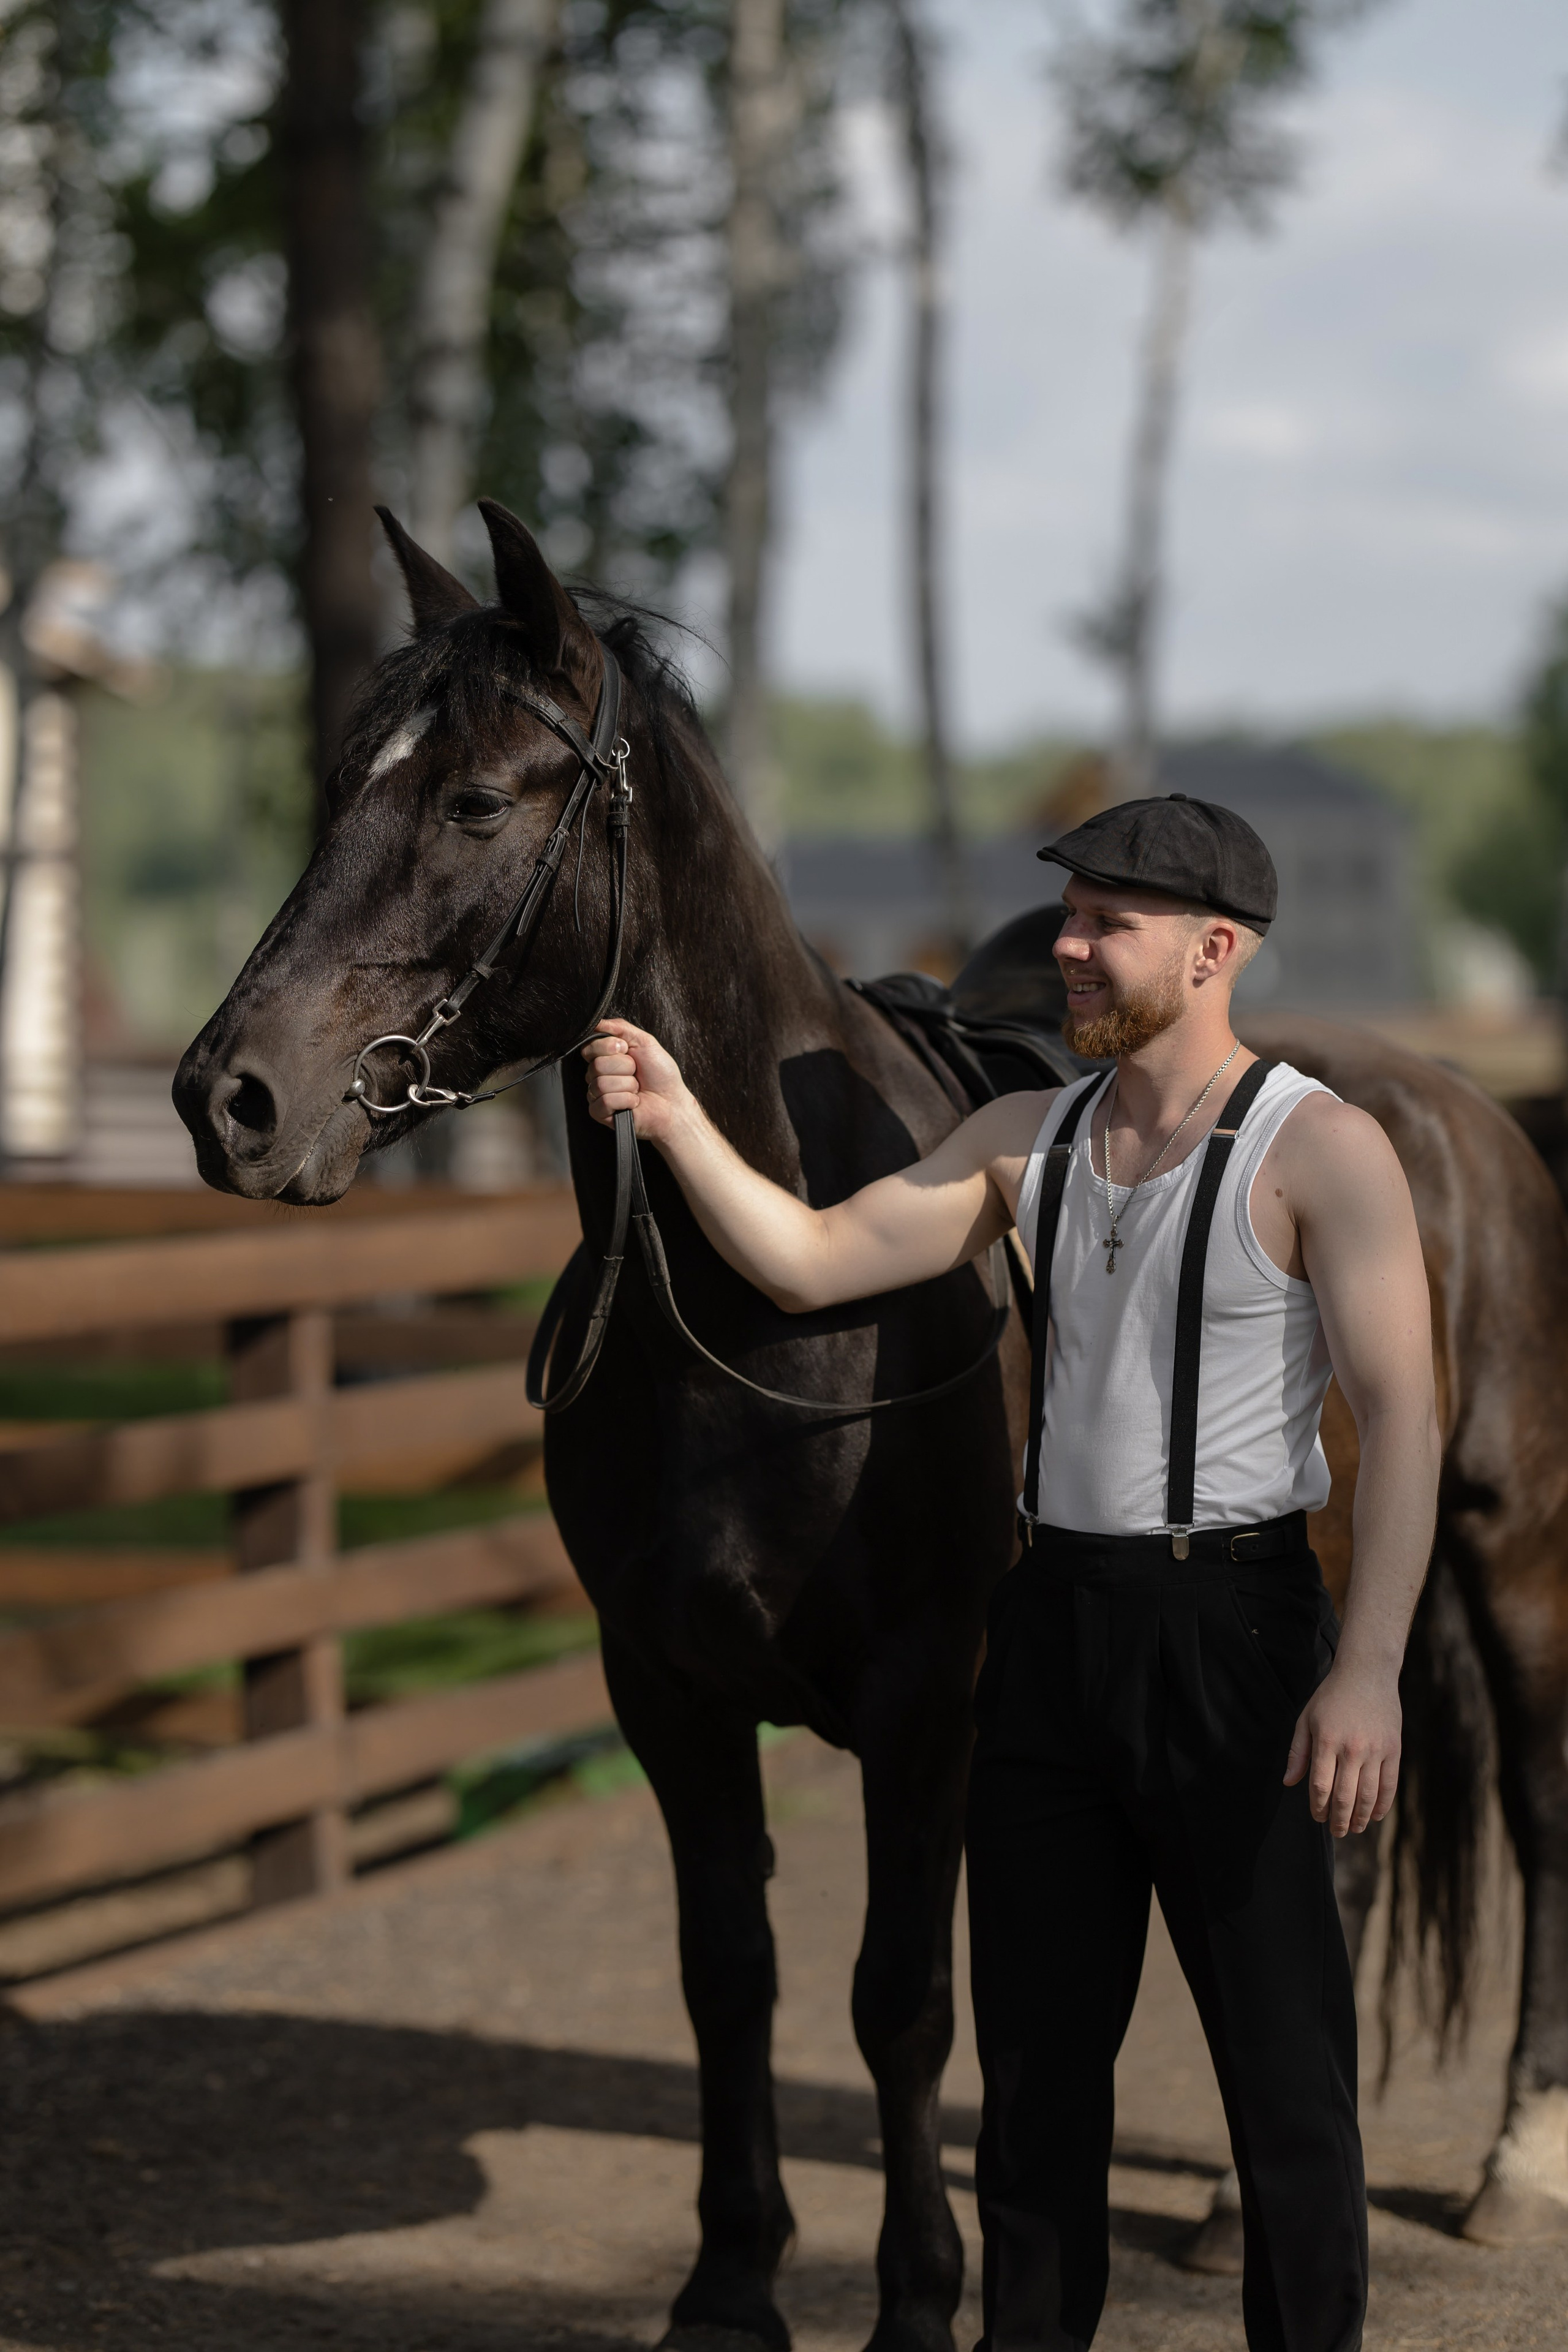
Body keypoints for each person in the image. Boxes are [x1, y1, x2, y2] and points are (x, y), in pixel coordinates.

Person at [581, 793, 1439, 2352]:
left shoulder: (1327, 1150)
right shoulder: (1019, 1138)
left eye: (1106, 920)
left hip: (1234, 1632)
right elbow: (807, 1256)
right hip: (1043, 1632)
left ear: (1210, 949)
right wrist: (674, 1113)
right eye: (1068, 914)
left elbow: (1402, 1414)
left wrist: (1366, 1666)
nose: (1065, 943)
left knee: (1280, 2083)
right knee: (1035, 2088)